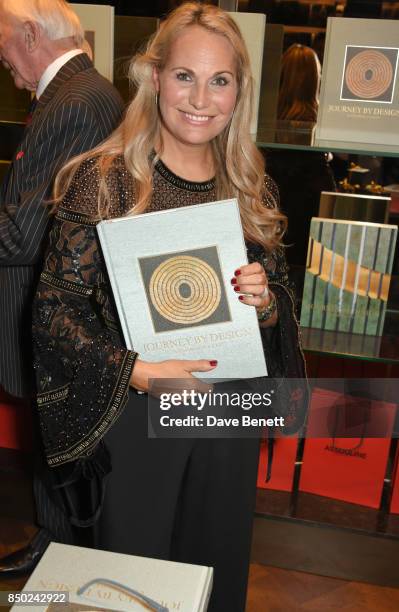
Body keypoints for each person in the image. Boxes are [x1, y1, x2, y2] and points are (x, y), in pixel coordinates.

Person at [32, 3, 306, 610]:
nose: (201, 98)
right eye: (185, 75)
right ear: (155, 78)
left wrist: (264, 303)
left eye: (221, 80)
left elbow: (281, 304)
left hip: (226, 415)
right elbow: (52, 316)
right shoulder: (104, 180)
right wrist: (139, 372)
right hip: (138, 418)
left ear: (239, 91)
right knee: (134, 582)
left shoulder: (250, 187)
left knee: (215, 566)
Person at [0, 0, 123, 575]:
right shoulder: (81, 92)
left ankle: (61, 556)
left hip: (45, 307)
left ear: (29, 33)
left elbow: (26, 235)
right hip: (61, 306)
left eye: (0, 38)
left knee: (56, 434)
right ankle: (57, 548)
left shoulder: (74, 104)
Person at [266, 44, 336, 270]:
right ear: (315, 80)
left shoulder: (266, 121)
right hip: (308, 225)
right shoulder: (320, 125)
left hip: (274, 217)